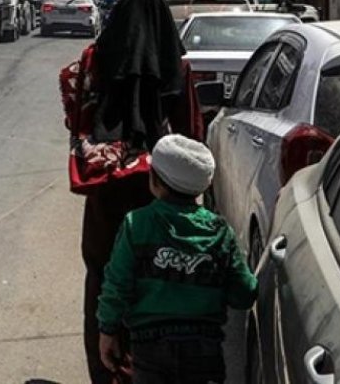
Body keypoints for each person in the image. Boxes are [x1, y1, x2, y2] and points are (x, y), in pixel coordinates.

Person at [72, 0, 204, 384]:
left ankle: (105, 371)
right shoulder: (175, 67)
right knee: (157, 284)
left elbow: (79, 120)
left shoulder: (95, 59)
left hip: (107, 196)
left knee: (103, 279)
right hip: (162, 196)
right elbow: (191, 137)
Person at [97, 134, 257, 383]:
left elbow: (116, 285)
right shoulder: (219, 231)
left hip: (149, 348)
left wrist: (107, 331)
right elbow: (244, 293)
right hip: (204, 349)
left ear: (155, 181)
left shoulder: (136, 224)